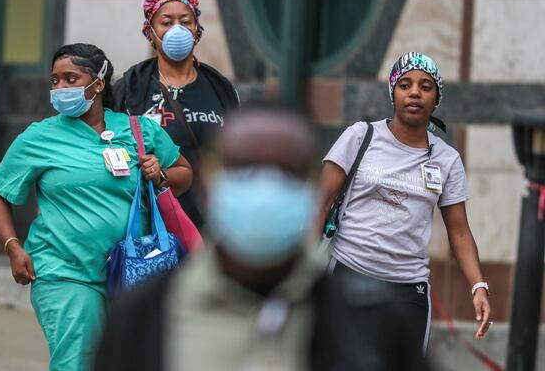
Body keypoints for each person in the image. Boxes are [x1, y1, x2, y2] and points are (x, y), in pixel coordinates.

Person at [94, 106, 431, 371]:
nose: (266, 188)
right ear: (208, 188)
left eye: (288, 172)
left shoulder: (369, 321)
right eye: (244, 169)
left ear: (313, 191)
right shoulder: (145, 314)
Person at [0, 43, 192, 371]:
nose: (60, 88)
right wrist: (12, 246)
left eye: (70, 79)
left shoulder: (138, 129)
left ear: (98, 83)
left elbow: (184, 173)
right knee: (77, 361)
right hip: (65, 270)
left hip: (133, 272)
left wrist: (160, 173)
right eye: (54, 81)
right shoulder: (37, 138)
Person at [317, 52, 492, 355]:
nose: (414, 92)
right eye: (405, 84)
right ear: (393, 92)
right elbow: (319, 203)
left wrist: (479, 286)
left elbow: (460, 232)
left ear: (436, 98)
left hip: (408, 290)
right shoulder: (361, 136)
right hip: (346, 274)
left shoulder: (446, 159)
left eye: (426, 87)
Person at [112, 0, 240, 229]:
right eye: (166, 22)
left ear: (197, 31)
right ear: (150, 32)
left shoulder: (221, 89)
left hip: (211, 225)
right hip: (149, 224)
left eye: (185, 22)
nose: (177, 29)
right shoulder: (130, 88)